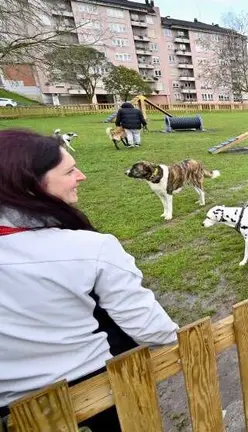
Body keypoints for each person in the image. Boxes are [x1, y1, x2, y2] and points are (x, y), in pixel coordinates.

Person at [0, 130, 179, 431]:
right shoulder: (91, 248)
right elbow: (150, 328)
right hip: (92, 386)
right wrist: (183, 344)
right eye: (69, 171)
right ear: (30, 184)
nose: (81, 176)